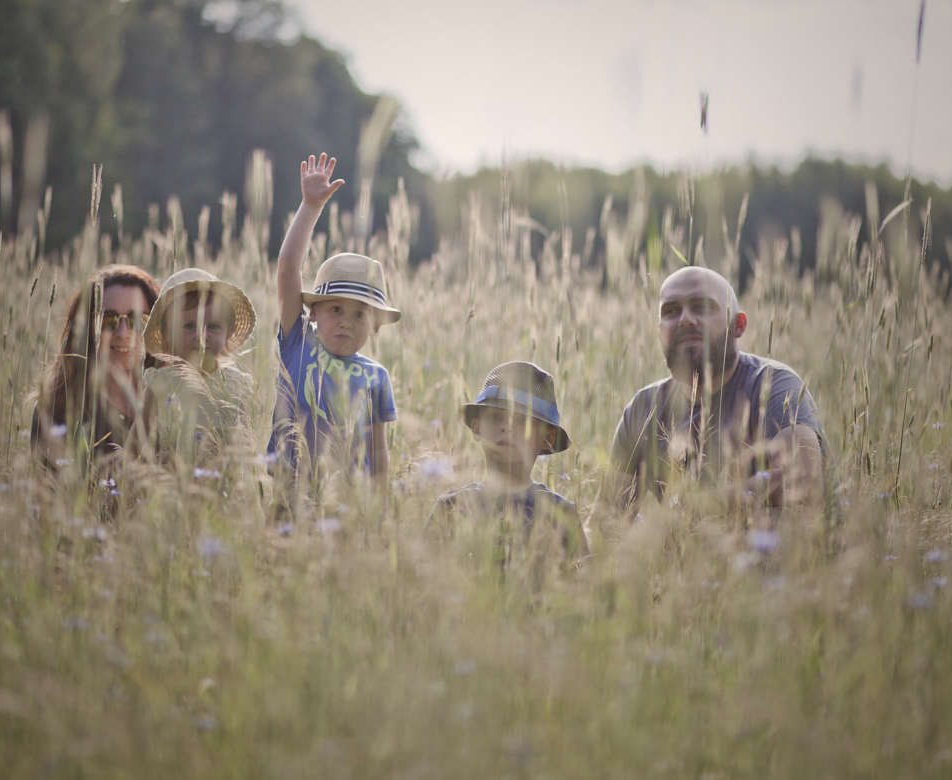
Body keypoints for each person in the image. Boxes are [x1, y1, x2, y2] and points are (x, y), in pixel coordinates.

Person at [603, 265, 833, 521]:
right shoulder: (643, 409)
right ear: (660, 333)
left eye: (702, 307)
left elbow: (803, 481)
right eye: (671, 311)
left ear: (738, 325)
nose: (685, 319)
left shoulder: (774, 385)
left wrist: (691, 509)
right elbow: (605, 520)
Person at [267, 153, 400, 498]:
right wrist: (311, 207)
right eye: (336, 309)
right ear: (312, 313)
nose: (347, 322)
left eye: (360, 315)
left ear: (376, 326)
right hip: (289, 493)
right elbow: (287, 270)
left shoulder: (376, 377)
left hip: (347, 503)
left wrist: (379, 509)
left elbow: (378, 452)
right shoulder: (297, 345)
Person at [424, 361, 588, 565]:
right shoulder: (450, 508)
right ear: (477, 428)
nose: (506, 427)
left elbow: (581, 587)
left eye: (522, 420)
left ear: (547, 438)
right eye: (495, 416)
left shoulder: (561, 513)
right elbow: (418, 584)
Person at [31, 264, 160, 474]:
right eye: (107, 319)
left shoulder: (173, 406)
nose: (123, 333)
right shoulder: (57, 411)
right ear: (87, 329)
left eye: (138, 320)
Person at [141, 268, 257, 468]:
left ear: (228, 333)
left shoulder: (234, 384)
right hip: (172, 486)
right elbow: (138, 441)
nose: (201, 336)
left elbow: (248, 446)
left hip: (223, 489)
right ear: (168, 334)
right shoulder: (160, 384)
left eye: (213, 326)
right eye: (188, 326)